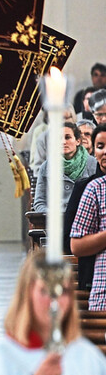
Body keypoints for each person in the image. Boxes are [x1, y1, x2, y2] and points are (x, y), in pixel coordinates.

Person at [64, 124, 106, 290]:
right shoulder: (87, 188)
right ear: (94, 151)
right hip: (94, 275)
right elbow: (69, 239)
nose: (104, 151)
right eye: (100, 146)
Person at [33, 121, 97, 212]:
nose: (63, 142)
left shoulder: (92, 164)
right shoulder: (47, 166)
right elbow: (39, 202)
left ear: (78, 141)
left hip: (85, 219)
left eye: (68, 137)